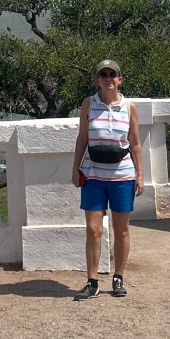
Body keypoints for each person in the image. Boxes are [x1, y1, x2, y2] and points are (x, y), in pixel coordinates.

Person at [71, 59, 144, 301]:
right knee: (93, 229)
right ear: (97, 80)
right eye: (103, 74)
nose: (108, 78)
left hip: (122, 174)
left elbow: (135, 143)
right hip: (93, 174)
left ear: (119, 79)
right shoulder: (88, 104)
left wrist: (140, 175)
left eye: (112, 74)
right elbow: (83, 138)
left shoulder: (129, 106)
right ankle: (92, 281)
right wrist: (75, 168)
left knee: (121, 229)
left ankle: (118, 276)